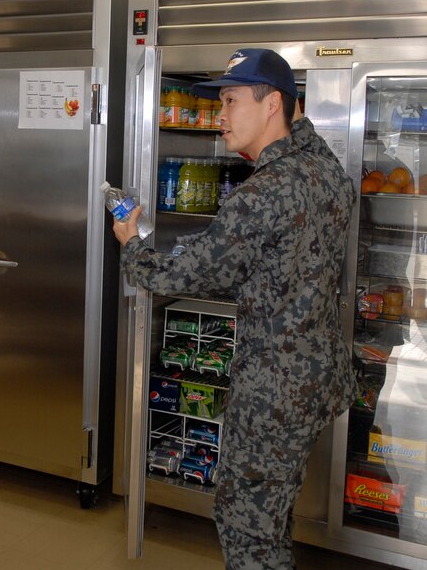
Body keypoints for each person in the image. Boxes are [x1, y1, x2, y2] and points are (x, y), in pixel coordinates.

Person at [113, 49, 358, 568]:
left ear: (272, 104)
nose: (219, 115)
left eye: (229, 100)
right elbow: (280, 261)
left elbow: (182, 275)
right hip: (319, 378)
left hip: (272, 392)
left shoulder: (261, 195)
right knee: (272, 511)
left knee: (247, 528)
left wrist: (131, 242)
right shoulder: (326, 169)